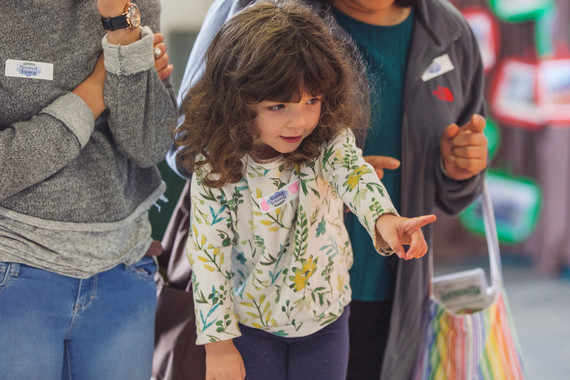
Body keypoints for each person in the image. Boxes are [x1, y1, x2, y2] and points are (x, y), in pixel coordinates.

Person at [167, 0, 488, 379]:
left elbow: (357, 178)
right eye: (278, 105)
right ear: (238, 99)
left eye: (312, 101)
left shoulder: (329, 139)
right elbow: (208, 256)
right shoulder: (217, 165)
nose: (298, 120)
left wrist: (387, 223)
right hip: (251, 324)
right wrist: (219, 346)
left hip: (330, 320)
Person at [0, 0, 176, 378]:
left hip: (122, 271)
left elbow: (149, 146)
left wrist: (122, 31)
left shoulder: (131, 5)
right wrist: (95, 92)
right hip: (13, 270)